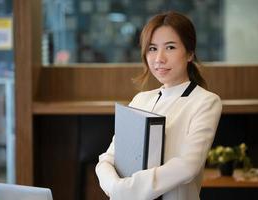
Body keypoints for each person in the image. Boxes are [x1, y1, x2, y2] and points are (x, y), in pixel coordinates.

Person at [95, 11, 222, 200]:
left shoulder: (205, 101)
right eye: (152, 48)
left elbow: (188, 166)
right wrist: (115, 187)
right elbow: (108, 159)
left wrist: (127, 189)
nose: (159, 58)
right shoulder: (140, 100)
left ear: (189, 53)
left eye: (170, 47)